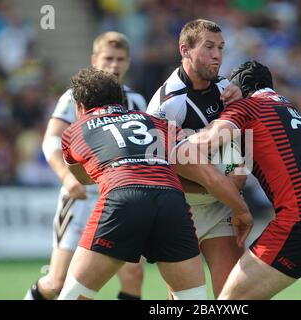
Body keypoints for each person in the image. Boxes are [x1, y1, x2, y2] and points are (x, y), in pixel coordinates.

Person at [179, 61, 301, 300]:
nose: (226, 97)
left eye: (230, 89)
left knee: (229, 302)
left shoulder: (247, 107)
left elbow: (204, 143)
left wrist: (167, 142)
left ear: (243, 87)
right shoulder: (290, 109)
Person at [57, 68, 252, 300]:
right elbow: (200, 169)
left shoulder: (74, 131)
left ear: (79, 107)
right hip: (172, 202)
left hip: (123, 198)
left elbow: (83, 177)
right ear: (121, 99)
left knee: (71, 296)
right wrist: (238, 204)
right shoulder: (157, 123)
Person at [24, 32, 146, 300]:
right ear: (94, 60)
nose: (114, 65)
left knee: (133, 275)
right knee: (58, 283)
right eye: (108, 58)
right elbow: (51, 140)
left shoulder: (137, 101)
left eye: (120, 59)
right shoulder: (75, 97)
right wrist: (68, 179)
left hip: (119, 200)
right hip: (81, 197)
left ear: (128, 62)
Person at [146, 19, 247, 298]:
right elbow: (157, 171)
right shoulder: (166, 105)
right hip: (180, 210)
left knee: (232, 295)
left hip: (220, 209)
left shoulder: (229, 91)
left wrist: (227, 188)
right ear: (185, 50)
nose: (217, 55)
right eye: (209, 47)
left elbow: (239, 166)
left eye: (221, 48)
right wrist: (213, 185)